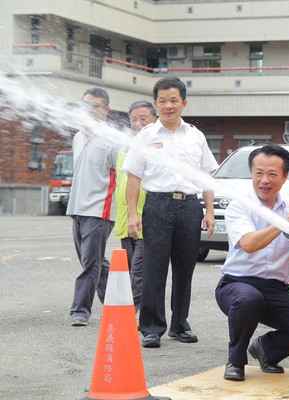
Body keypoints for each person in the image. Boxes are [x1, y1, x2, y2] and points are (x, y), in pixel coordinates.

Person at [123, 77, 219, 348]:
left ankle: (180, 324)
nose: (168, 105)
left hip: (189, 206)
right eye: (162, 101)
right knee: (154, 268)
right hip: (157, 205)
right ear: (155, 104)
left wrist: (208, 211)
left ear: (184, 103)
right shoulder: (146, 136)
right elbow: (133, 178)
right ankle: (152, 327)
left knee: (185, 267)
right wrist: (133, 214)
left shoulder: (196, 136)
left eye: (173, 100)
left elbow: (206, 177)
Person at [214, 144, 289, 382]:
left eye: (272, 174)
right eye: (258, 173)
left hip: (275, 290)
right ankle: (235, 360)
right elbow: (249, 244)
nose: (264, 180)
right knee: (249, 298)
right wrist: (283, 223)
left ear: (284, 177)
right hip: (236, 285)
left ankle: (266, 350)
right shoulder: (240, 205)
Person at [67, 87, 118, 327]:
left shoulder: (113, 139)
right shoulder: (78, 136)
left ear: (106, 110)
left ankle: (80, 311)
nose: (90, 109)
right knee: (94, 260)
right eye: (86, 105)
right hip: (77, 208)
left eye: (96, 105)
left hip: (99, 210)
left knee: (90, 262)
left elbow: (122, 177)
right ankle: (117, 303)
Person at [114, 100, 157, 311]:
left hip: (145, 219)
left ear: (155, 120)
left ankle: (135, 312)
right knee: (130, 268)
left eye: (143, 118)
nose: (137, 124)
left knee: (139, 270)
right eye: (133, 119)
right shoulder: (125, 146)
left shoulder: (157, 146)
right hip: (126, 220)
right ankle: (133, 310)